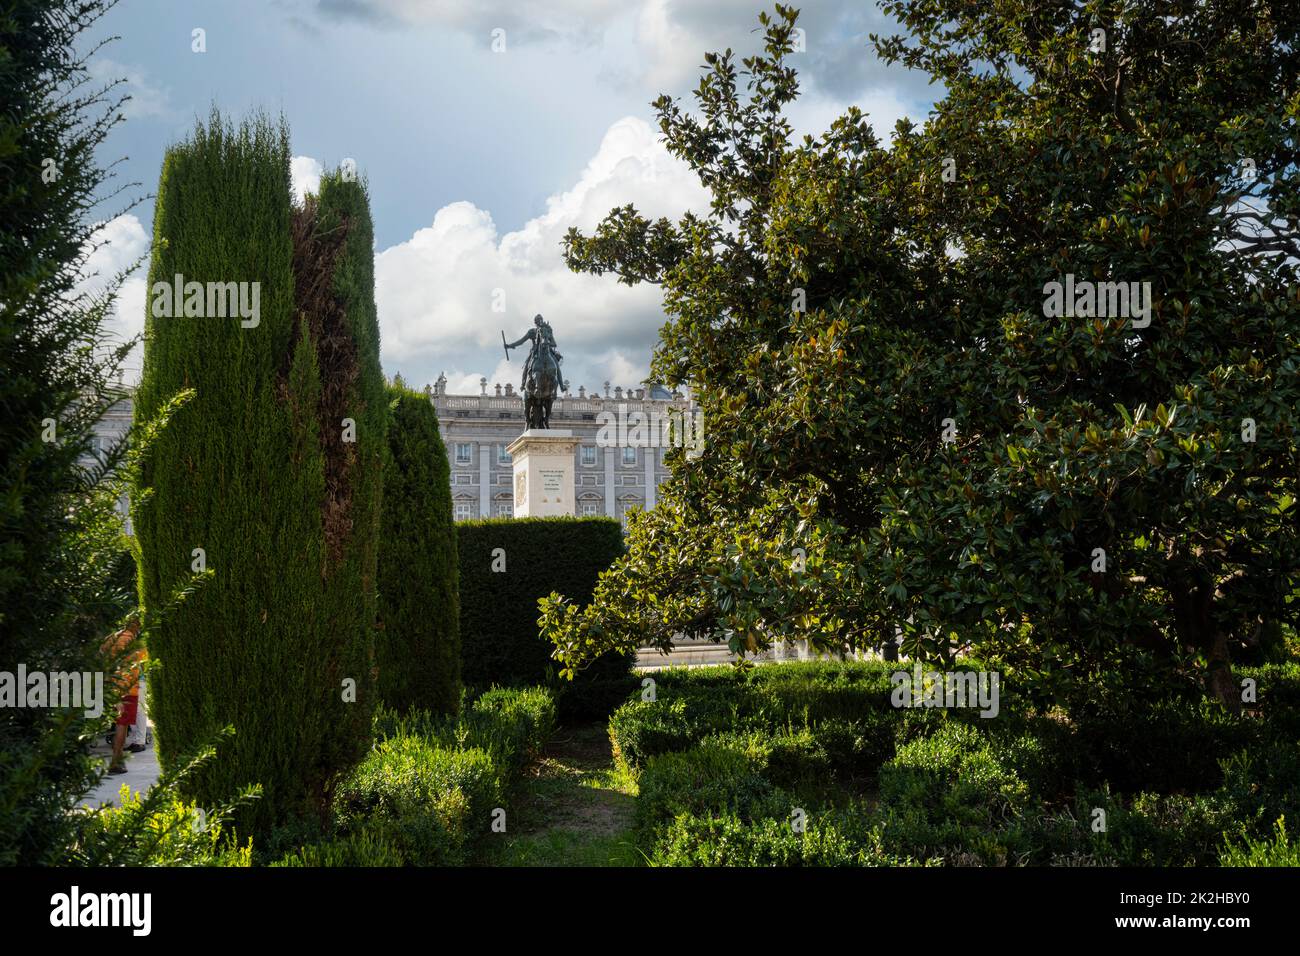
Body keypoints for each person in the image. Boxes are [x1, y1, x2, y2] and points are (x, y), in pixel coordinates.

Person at [101, 619, 145, 775]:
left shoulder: (113, 637)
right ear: (135, 626)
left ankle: (119, 760)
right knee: (122, 725)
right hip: (128, 687)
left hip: (112, 685)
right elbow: (144, 660)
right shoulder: (134, 641)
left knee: (118, 722)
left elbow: (101, 652)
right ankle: (115, 762)